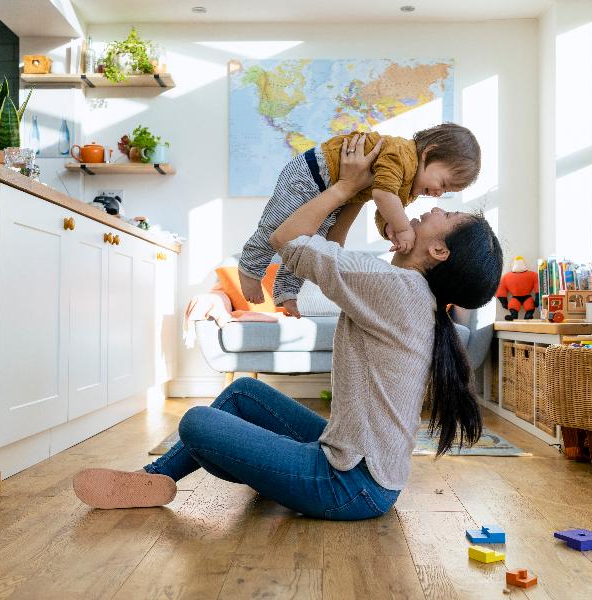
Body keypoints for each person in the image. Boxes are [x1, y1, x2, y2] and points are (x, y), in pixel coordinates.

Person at [73, 134, 503, 519]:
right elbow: (326, 253)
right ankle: (156, 480)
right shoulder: (405, 290)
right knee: (243, 393)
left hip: (348, 485)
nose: (433, 208)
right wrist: (356, 195)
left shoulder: (395, 287)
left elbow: (287, 238)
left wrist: (345, 186)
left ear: (439, 250)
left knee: (196, 423)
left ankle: (239, 470)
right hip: (358, 469)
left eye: (445, 214)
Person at [238, 124, 482, 318]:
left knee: (311, 242)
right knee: (276, 223)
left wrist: (389, 228)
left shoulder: (407, 187)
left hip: (335, 189)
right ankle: (250, 267)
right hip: (312, 173)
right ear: (428, 154)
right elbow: (382, 194)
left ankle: (286, 289)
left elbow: (383, 207)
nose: (439, 195)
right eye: (443, 183)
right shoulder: (402, 155)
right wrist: (402, 227)